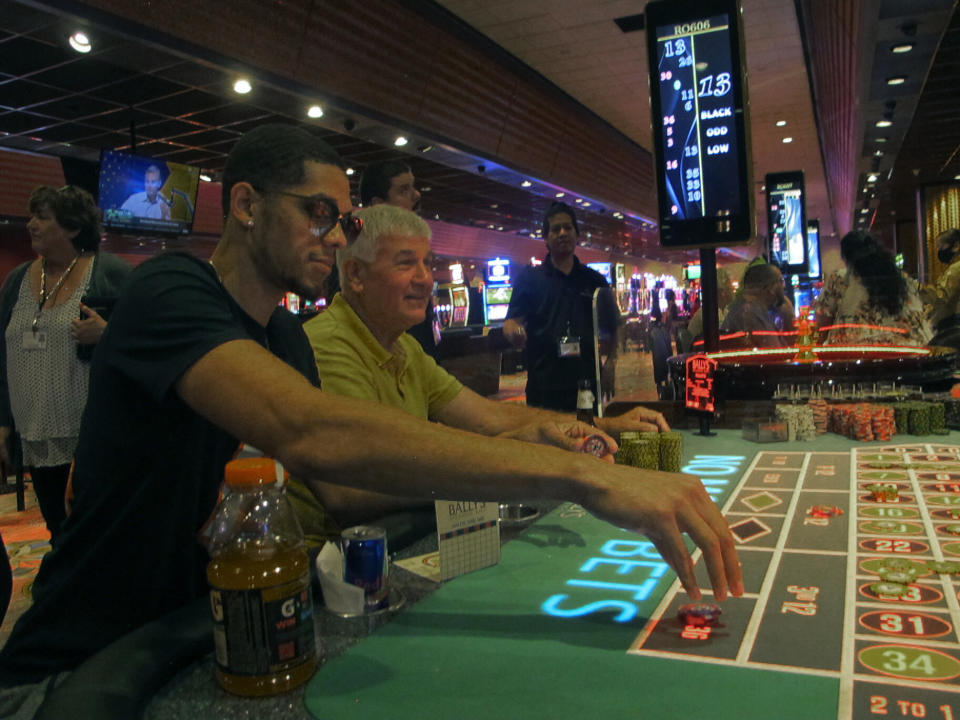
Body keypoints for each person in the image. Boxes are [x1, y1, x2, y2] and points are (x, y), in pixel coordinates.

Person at [0, 124, 740, 692]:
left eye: (344, 219)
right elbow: (318, 437)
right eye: (318, 211)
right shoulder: (170, 290)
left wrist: (569, 441)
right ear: (247, 206)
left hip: (204, 636)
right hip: (78, 663)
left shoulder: (283, 336)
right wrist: (580, 476)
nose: (333, 233)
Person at [297, 204, 669, 541]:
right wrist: (554, 468)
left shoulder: (404, 346)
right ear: (356, 275)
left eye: (428, 263)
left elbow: (486, 416)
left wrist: (606, 427)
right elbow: (355, 484)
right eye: (406, 263)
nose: (426, 279)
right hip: (333, 574)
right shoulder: (327, 345)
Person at [0, 185, 130, 541]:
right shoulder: (17, 281)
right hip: (35, 435)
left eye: (41, 217)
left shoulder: (108, 273)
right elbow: (1, 355)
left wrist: (108, 334)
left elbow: (150, 336)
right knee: (59, 532)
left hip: (89, 436)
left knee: (96, 533)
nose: (30, 225)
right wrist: (3, 423)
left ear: (72, 227)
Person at [503, 202, 613, 410]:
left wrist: (611, 365)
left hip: (587, 383)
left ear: (577, 234)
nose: (562, 233)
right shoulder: (529, 279)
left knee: (588, 440)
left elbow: (615, 325)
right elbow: (511, 321)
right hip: (544, 386)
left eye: (568, 228)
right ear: (546, 238)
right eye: (555, 229)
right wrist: (513, 332)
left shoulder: (594, 281)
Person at [815, 230, 931, 346]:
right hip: (910, 350)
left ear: (847, 257)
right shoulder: (901, 277)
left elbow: (822, 323)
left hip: (858, 353)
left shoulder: (841, 279)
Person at [719, 262, 792, 346]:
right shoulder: (750, 314)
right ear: (771, 287)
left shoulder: (751, 309)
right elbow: (775, 352)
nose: (784, 286)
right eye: (781, 281)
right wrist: (789, 316)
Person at [920, 228, 960, 347]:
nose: (939, 252)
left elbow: (941, 297)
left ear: (956, 246)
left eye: (941, 248)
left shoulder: (955, 269)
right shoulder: (953, 267)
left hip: (953, 327)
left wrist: (916, 288)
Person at [687, 268, 734, 340]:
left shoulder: (724, 311)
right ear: (722, 292)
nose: (732, 292)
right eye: (730, 288)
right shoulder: (709, 313)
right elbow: (722, 340)